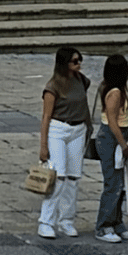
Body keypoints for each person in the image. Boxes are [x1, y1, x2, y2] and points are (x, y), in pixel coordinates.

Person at [37, 47, 89, 239]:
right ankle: (46, 221)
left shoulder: (81, 80)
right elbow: (46, 117)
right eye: (74, 61)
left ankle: (66, 220)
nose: (78, 64)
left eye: (79, 61)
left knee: (73, 178)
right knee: (58, 176)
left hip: (78, 129)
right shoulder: (53, 87)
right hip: (59, 129)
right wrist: (43, 146)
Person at [93, 55, 128, 243]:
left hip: (119, 134)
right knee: (112, 184)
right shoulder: (115, 92)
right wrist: (123, 144)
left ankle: (117, 222)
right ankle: (103, 225)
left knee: (121, 183)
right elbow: (112, 121)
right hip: (112, 137)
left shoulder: (116, 88)